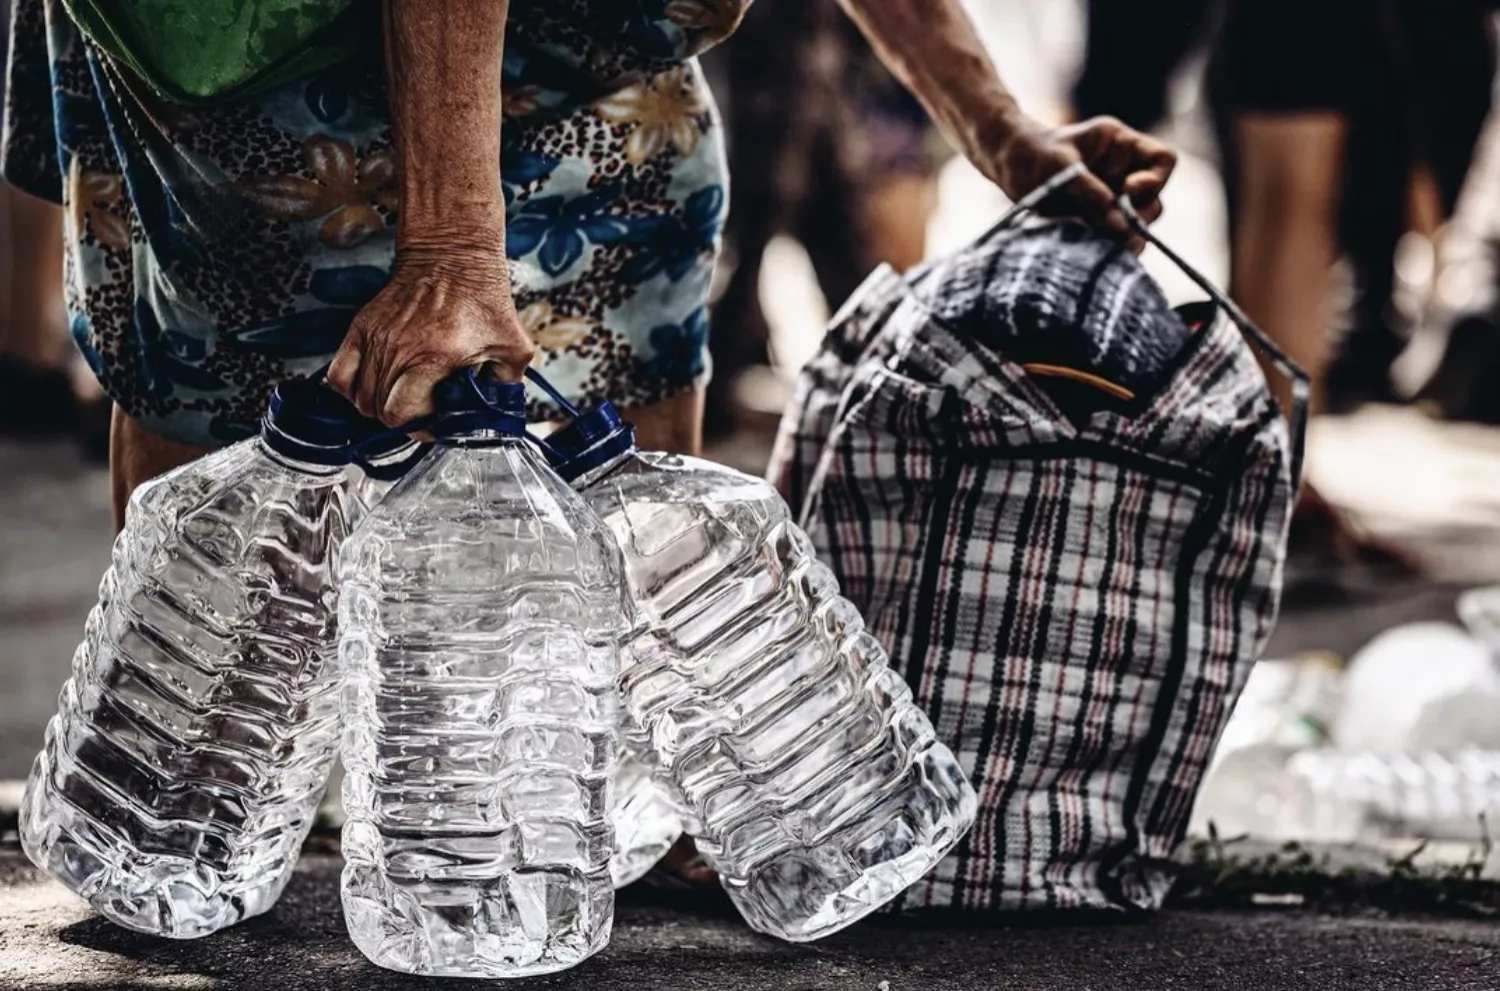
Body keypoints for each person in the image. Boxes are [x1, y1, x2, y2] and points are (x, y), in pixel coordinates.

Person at [2, 0, 1174, 525]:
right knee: (234, 401)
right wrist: (455, 246)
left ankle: (603, 789)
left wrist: (998, 127)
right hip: (280, 43)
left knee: (648, 270)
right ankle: (195, 795)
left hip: (603, 43)